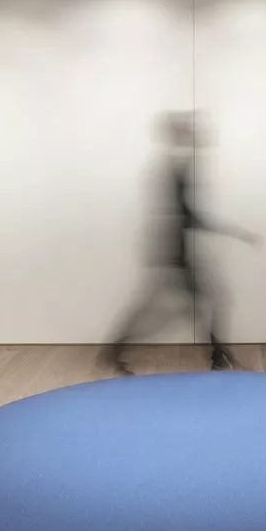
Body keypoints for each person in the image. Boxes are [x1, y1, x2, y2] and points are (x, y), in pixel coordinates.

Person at [100, 111, 256, 375]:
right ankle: (218, 358)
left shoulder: (178, 164)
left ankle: (218, 357)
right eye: (193, 131)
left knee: (197, 301)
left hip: (173, 248)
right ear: (182, 134)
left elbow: (186, 214)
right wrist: (234, 232)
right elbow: (186, 215)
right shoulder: (174, 166)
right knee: (199, 301)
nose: (202, 135)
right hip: (172, 249)